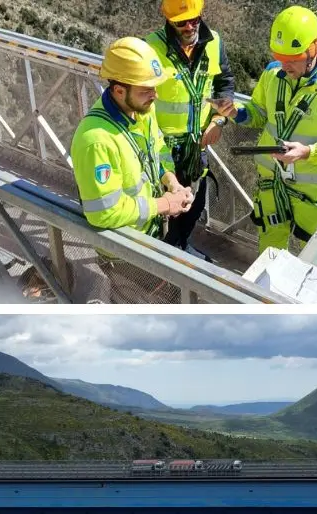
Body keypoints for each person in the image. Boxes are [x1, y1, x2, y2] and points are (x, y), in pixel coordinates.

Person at [232, 5, 317, 253]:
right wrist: (235, 113)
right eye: (279, 57)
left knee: (314, 262)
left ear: (314, 47)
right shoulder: (272, 74)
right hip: (272, 185)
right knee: (269, 253)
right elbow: (258, 114)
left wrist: (308, 153)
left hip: (314, 197)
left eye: (292, 60)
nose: (284, 66)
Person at [70, 36, 193, 303]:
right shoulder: (96, 140)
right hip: (124, 251)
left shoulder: (142, 112)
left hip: (151, 236)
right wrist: (163, 204)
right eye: (146, 89)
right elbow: (103, 214)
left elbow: (158, 152)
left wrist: (171, 182)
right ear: (118, 90)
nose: (155, 95)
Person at [145, 0, 237, 257]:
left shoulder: (214, 42)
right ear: (169, 21)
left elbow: (225, 84)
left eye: (194, 20)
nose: (189, 27)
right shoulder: (152, 48)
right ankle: (158, 260)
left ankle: (179, 249)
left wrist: (219, 120)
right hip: (161, 146)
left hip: (197, 146)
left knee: (193, 204)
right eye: (181, 22)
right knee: (163, 208)